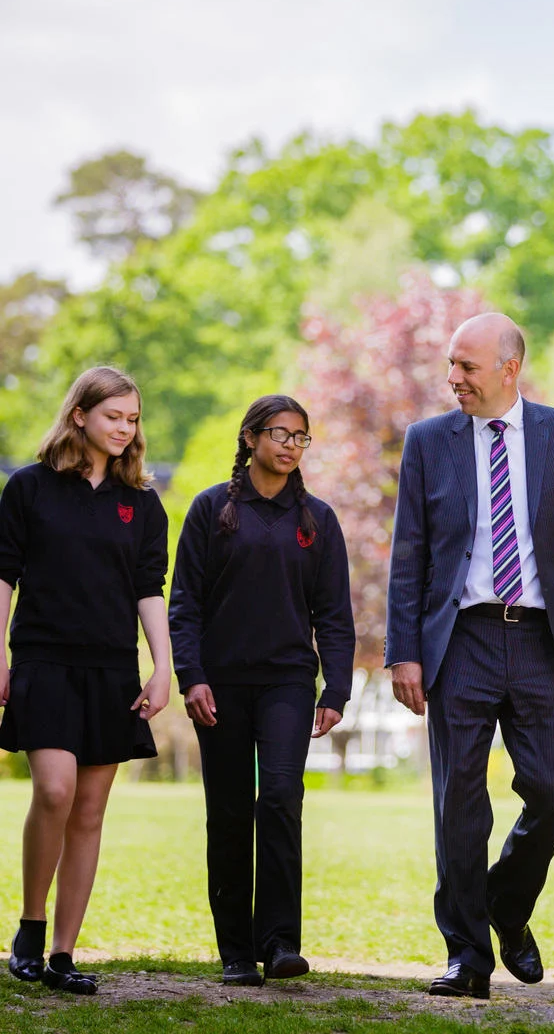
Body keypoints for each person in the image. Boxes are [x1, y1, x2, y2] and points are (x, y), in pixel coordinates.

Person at [386, 312, 554, 1000]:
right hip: (462, 640)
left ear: (508, 369)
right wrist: (405, 652)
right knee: (459, 800)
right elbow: (410, 556)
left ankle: (505, 906)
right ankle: (467, 956)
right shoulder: (429, 442)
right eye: (451, 365)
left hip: (544, 639)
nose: (452, 378)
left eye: (466, 366)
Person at [168, 395, 355, 987]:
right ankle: (235, 950)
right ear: (250, 438)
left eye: (301, 437)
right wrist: (191, 676)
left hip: (288, 684)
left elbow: (335, 614)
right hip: (218, 685)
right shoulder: (209, 510)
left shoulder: (318, 520)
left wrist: (337, 689)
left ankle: (280, 944)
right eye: (279, 433)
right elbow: (185, 606)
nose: (290, 445)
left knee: (279, 797)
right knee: (227, 811)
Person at [0, 366, 170, 995]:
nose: (125, 429)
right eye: (113, 417)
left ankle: (64, 953)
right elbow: (3, 575)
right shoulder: (29, 488)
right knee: (54, 790)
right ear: (80, 416)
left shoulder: (143, 503)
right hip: (42, 659)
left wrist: (163, 667)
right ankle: (29, 926)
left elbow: (148, 589)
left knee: (90, 810)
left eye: (132, 419)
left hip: (111, 668)